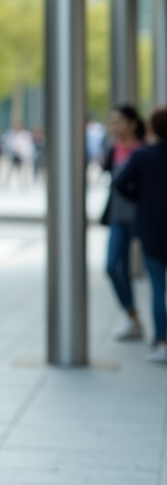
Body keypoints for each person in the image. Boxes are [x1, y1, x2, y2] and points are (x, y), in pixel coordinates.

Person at [114, 106, 167, 362]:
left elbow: (121, 183)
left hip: (153, 230)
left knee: (158, 286)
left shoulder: (143, 156)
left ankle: (162, 341)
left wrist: (141, 199)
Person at [101, 104, 147, 342]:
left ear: (131, 123)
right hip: (118, 216)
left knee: (156, 272)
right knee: (112, 266)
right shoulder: (111, 148)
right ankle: (132, 316)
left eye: (118, 121)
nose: (114, 126)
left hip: (143, 217)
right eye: (112, 121)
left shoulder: (144, 149)